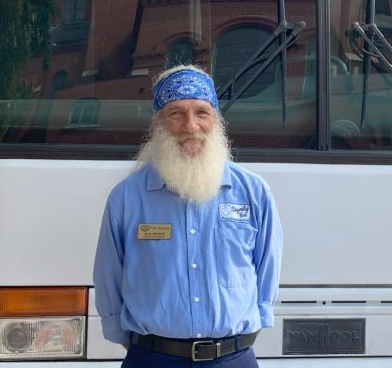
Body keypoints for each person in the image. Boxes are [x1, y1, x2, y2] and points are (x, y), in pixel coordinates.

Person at [93, 65, 283, 367]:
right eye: (176, 113)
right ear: (159, 123)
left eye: (201, 113)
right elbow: (108, 275)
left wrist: (255, 318)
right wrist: (128, 337)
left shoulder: (253, 191)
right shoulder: (127, 198)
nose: (190, 125)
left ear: (216, 120)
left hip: (233, 360)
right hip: (153, 359)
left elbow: (267, 266)